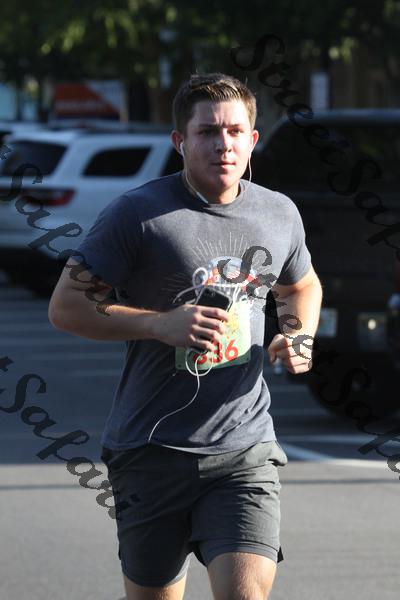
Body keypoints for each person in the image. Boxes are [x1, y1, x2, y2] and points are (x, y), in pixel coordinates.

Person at [48, 72, 322, 600]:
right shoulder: (137, 214)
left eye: (235, 131)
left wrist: (298, 334)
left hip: (244, 447)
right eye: (208, 132)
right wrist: (158, 323)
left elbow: (301, 285)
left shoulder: (278, 212)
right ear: (180, 140)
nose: (224, 144)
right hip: (150, 450)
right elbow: (66, 307)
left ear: (252, 140)